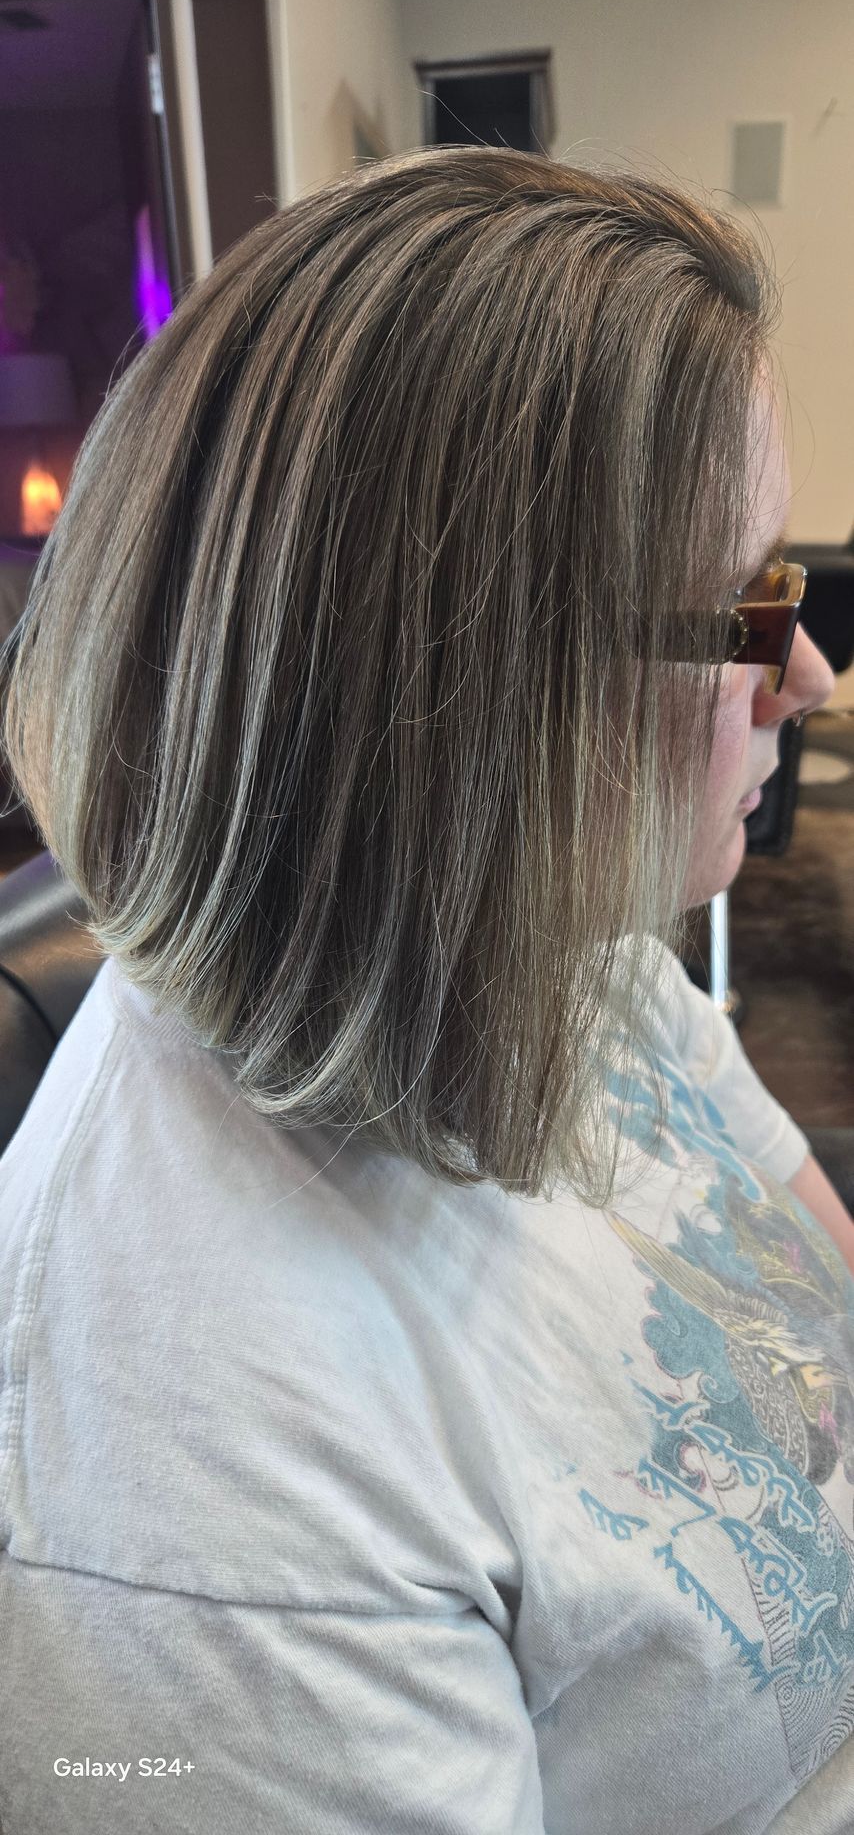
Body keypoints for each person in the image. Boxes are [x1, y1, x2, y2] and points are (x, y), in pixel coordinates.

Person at [0, 145, 850, 1835]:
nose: (808, 675)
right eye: (749, 609)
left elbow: (813, 1264)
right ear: (475, 692)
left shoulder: (562, 954)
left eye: (794, 593)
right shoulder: (196, 1514)